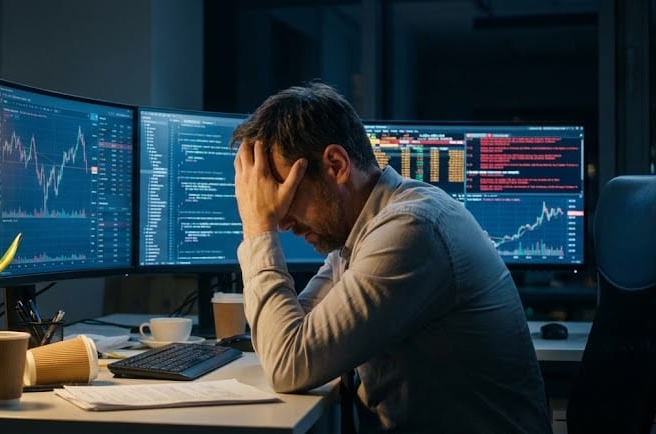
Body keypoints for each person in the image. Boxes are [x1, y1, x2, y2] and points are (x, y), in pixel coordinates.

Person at [231, 82, 552, 433]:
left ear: (336, 165)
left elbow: (288, 362)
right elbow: (291, 336)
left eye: (286, 193)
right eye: (268, 202)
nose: (281, 218)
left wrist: (258, 227)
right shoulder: (366, 231)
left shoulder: (411, 231)